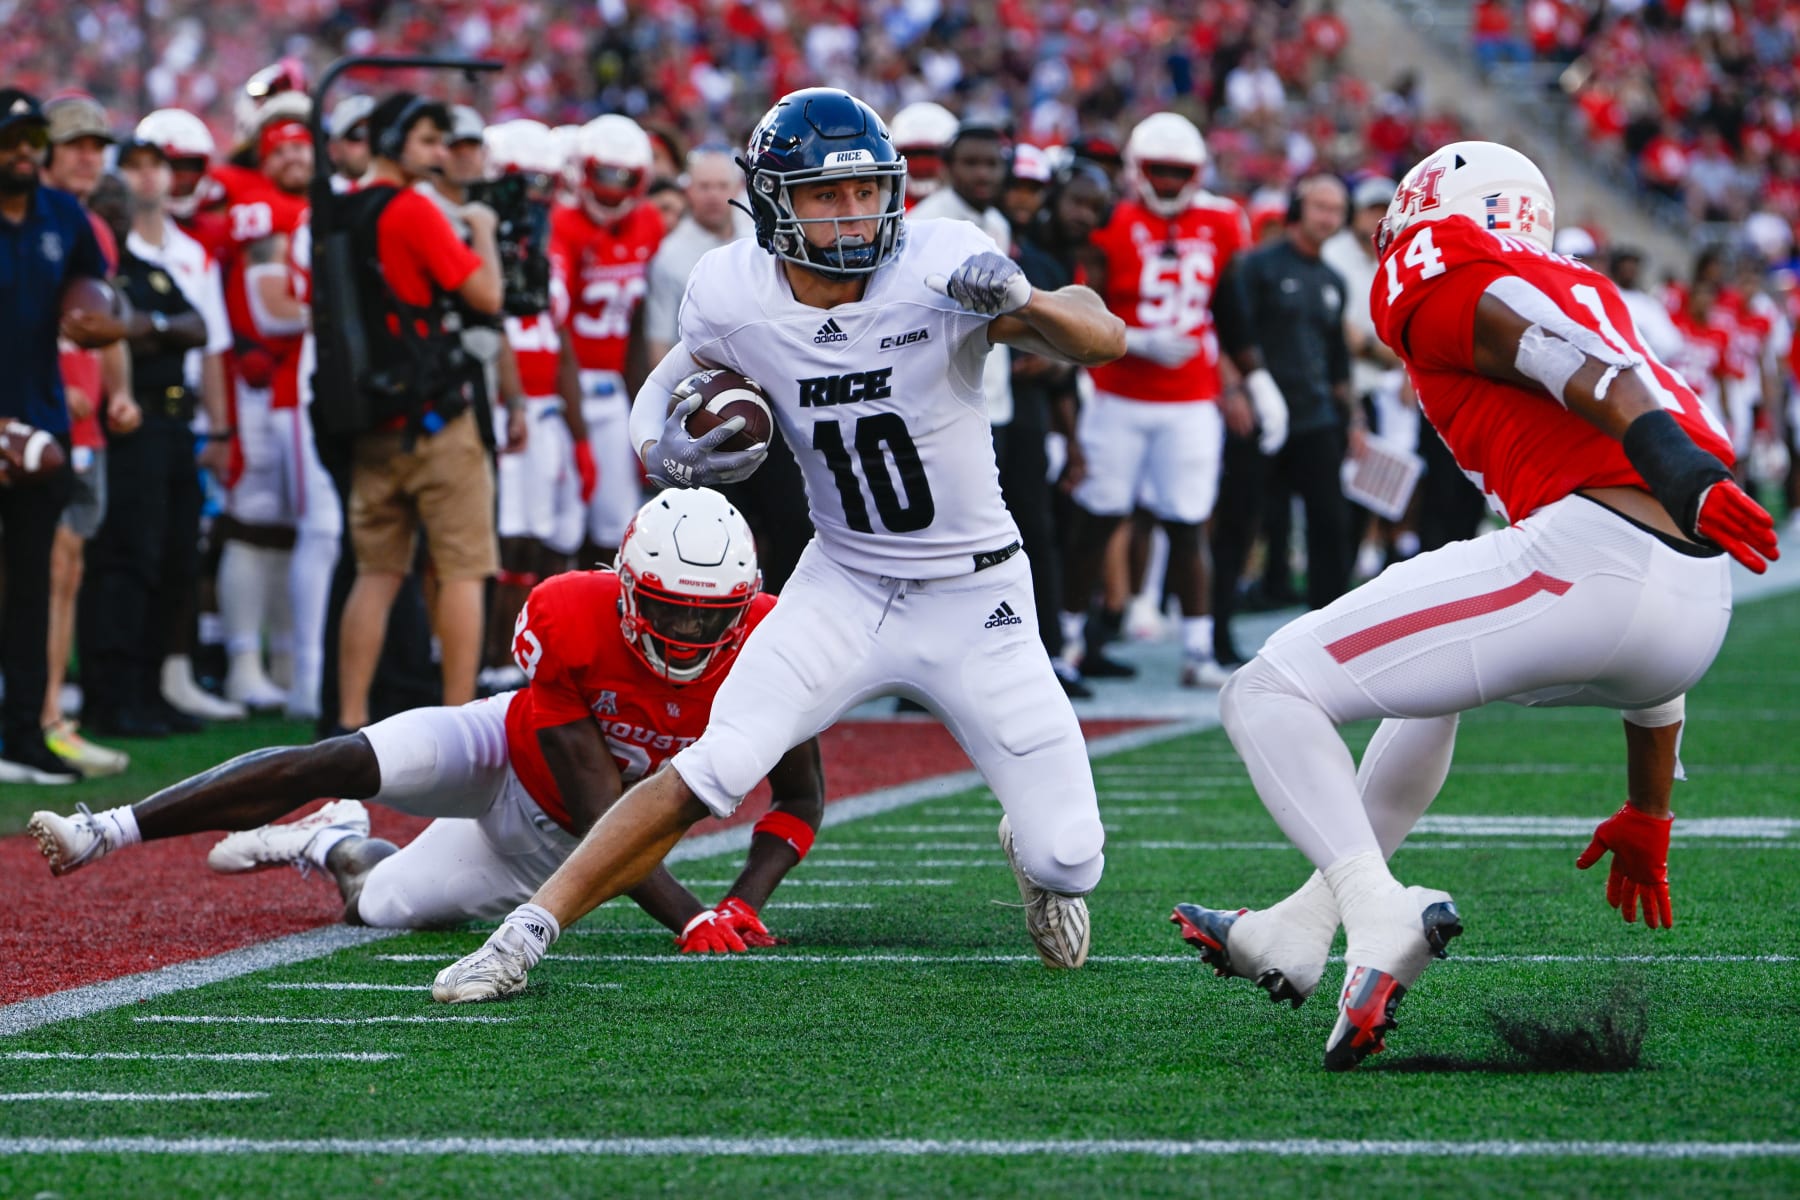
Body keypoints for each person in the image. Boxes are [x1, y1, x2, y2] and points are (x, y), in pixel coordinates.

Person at [430, 87, 1128, 1003]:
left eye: (865, 192)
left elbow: (1103, 336)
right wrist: (659, 450)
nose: (852, 215)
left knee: (1071, 857)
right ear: (770, 203)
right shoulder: (733, 290)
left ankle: (1031, 855)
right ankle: (522, 938)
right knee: (714, 764)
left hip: (977, 596)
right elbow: (662, 387)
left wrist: (1022, 294)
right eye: (824, 197)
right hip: (841, 583)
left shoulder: (942, 259)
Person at [1169, 141, 1779, 1071]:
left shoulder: (1448, 265)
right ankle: (1293, 932)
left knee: (1267, 690)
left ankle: (1379, 915)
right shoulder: (1589, 284)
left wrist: (1665, 453)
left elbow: (1535, 338)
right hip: (1691, 610)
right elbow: (1584, 364)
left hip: (1594, 559)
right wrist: (1649, 808)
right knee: (1432, 681)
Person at [30, 489, 823, 946]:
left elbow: (800, 798)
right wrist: (689, 920)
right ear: (622, 588)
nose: (686, 633)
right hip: (504, 748)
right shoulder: (569, 613)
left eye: (706, 615)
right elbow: (597, 807)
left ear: (743, 601)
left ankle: (332, 840)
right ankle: (110, 829)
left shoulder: (771, 640)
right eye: (666, 610)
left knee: (374, 907)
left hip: (545, 848)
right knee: (339, 756)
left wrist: (743, 900)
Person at [1061, 112, 1283, 689]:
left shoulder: (1220, 219)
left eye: (1175, 172)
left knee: (1188, 524)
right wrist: (1132, 340)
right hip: (1117, 394)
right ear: (1136, 170)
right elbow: (1079, 303)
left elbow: (1229, 309)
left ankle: (1198, 649)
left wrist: (1256, 380)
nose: (1165, 183)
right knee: (1098, 518)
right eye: (1156, 171)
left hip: (1190, 398)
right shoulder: (1110, 219)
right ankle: (1065, 644)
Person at [333, 92, 504, 732]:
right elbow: (484, 295)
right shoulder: (411, 209)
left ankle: (350, 719)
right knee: (462, 567)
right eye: (428, 141)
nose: (439, 154)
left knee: (375, 574)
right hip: (435, 418)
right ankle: (459, 721)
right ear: (394, 140)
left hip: (366, 420)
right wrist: (482, 232)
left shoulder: (336, 209)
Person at [0, 87, 123, 783]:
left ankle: (22, 735)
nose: (22, 151)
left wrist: (91, 310)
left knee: (31, 587)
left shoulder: (61, 213)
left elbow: (91, 285)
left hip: (41, 423)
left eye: (30, 139)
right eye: (10, 139)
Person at [642, 144, 809, 593]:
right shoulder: (673, 256)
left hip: (780, 406)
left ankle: (775, 614)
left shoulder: (765, 235)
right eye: (704, 187)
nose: (714, 196)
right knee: (714, 525)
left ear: (740, 189)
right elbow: (662, 347)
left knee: (791, 522)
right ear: (688, 190)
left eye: (722, 186)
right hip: (708, 410)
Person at [40, 95, 137, 774]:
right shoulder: (29, 220)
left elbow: (106, 323)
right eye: (74, 144)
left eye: (96, 146)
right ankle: (39, 714)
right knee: (41, 569)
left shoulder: (91, 228)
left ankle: (48, 712)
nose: (88, 157)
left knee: (65, 571)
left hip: (84, 427)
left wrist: (121, 389)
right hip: (40, 416)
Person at [1225, 174, 1357, 631]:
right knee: (1239, 521)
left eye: (1336, 209)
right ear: (1297, 208)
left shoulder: (1334, 280)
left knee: (1330, 522)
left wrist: (1353, 420)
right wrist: (1233, 392)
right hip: (1260, 413)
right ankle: (1216, 634)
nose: (1328, 217)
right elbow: (1229, 335)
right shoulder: (1256, 266)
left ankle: (1331, 630)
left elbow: (1338, 359)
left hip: (1316, 415)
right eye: (1320, 207)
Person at [1012, 159, 1118, 694]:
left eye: (1095, 209)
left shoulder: (1052, 257)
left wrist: (1055, 367)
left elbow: (1067, 353)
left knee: (1040, 533)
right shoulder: (1006, 245)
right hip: (993, 411)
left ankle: (1055, 648)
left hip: (1032, 413)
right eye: (1021, 188)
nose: (1084, 215)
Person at [552, 113, 663, 567]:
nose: (612, 187)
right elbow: (556, 322)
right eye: (604, 174)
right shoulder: (564, 224)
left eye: (623, 176)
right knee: (560, 527)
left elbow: (640, 325)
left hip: (613, 391)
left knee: (616, 523)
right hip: (563, 391)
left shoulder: (648, 223)